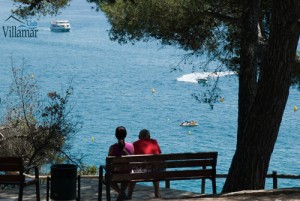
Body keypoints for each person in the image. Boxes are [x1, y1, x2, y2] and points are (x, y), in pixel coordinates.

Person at [127, 129, 162, 199]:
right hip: (155, 172)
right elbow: (159, 155)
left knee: (133, 173)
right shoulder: (154, 142)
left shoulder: (135, 144)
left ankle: (129, 196)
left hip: (139, 172)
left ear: (139, 137)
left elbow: (132, 158)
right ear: (149, 136)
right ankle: (157, 194)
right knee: (155, 168)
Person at [108, 126, 134, 201]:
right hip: (127, 174)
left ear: (116, 135)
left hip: (115, 174)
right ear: (126, 134)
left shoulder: (112, 147)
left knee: (108, 178)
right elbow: (131, 161)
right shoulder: (131, 146)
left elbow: (108, 163)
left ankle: (121, 193)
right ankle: (122, 194)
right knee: (127, 173)